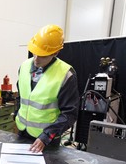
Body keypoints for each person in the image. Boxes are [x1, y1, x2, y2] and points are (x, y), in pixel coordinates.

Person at [15, 24, 79, 153]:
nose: (36, 59)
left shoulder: (65, 74)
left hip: (47, 139)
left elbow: (69, 113)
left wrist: (47, 136)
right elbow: (21, 97)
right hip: (22, 133)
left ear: (55, 52)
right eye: (35, 53)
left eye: (43, 55)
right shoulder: (24, 66)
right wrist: (16, 117)